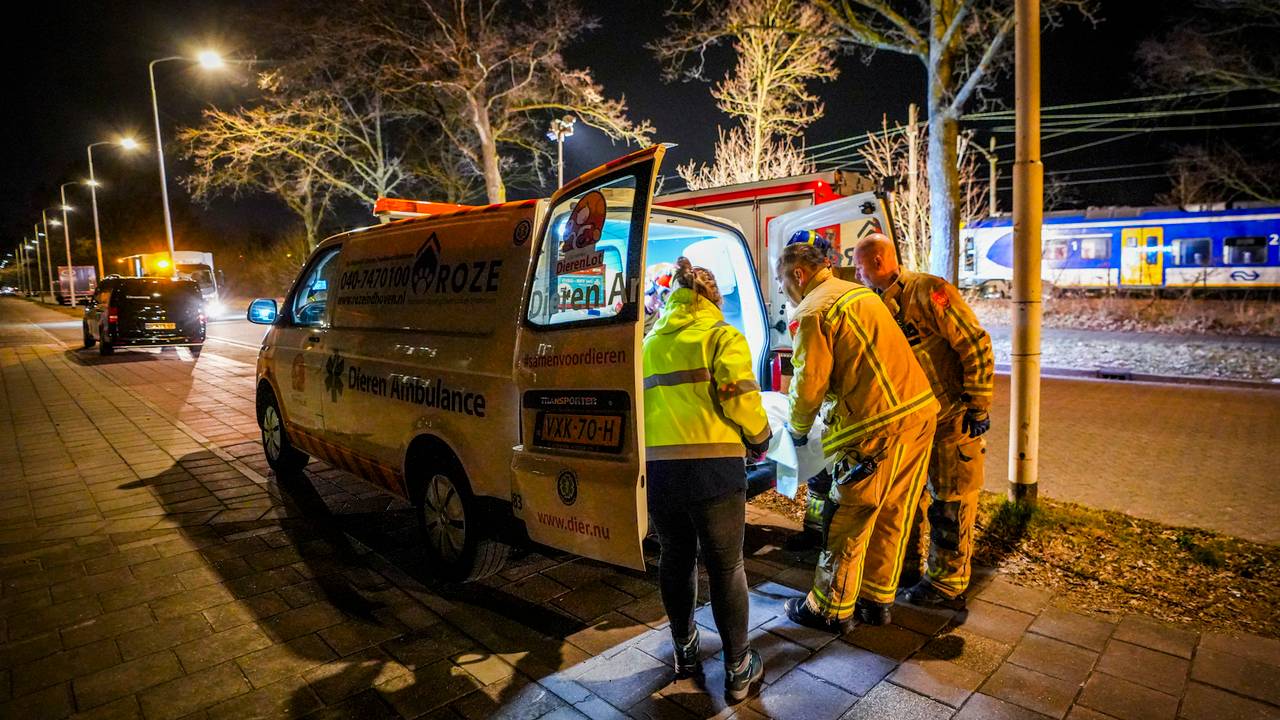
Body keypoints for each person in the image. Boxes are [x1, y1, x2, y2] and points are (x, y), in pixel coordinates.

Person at [776, 243, 938, 632]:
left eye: (783, 282)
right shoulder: (859, 293)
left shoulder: (814, 311)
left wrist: (796, 430)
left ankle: (830, 608)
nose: (785, 291)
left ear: (798, 275)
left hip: (873, 427)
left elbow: (809, 383)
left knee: (848, 515)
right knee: (893, 512)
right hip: (918, 413)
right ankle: (876, 600)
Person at [643, 257, 771, 702]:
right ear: (713, 297)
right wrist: (760, 437)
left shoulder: (647, 343)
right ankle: (738, 669)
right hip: (713, 467)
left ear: (675, 295)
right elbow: (740, 398)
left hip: (660, 468)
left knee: (675, 557)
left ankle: (685, 652)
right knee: (726, 564)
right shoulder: (722, 336)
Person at [852, 234, 995, 609]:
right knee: (908, 499)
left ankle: (947, 582)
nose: (855, 271)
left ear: (880, 260)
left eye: (859, 264)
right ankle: (909, 567)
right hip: (915, 422)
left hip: (951, 417)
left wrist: (977, 404)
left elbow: (974, 342)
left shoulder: (929, 291)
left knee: (950, 501)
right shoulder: (879, 304)